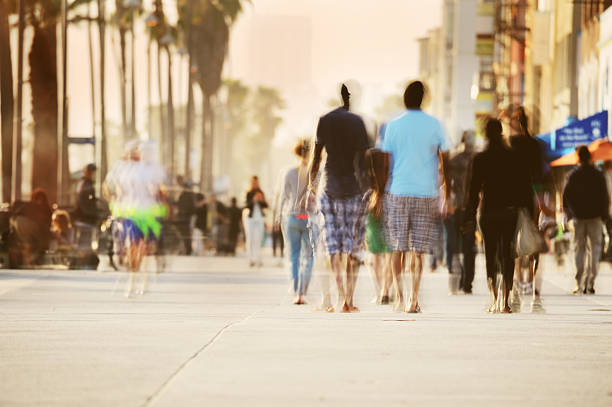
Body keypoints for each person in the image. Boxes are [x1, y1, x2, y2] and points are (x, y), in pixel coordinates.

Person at [382, 81, 450, 313]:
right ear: (424, 98)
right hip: (426, 192)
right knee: (418, 250)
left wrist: (381, 192)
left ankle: (400, 298)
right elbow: (445, 160)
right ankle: (413, 299)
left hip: (398, 192)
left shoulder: (393, 125)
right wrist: (447, 192)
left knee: (398, 248)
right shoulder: (435, 124)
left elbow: (385, 162)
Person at [308, 83, 370, 313]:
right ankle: (349, 300)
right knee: (353, 247)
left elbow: (316, 158)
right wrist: (371, 190)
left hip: (330, 188)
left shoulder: (324, 120)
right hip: (354, 190)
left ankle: (339, 297)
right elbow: (364, 162)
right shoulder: (358, 122)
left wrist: (309, 188)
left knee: (334, 246)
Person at [464, 118, 527, 313]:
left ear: (485, 134)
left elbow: (473, 191)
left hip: (489, 212)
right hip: (510, 212)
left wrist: (468, 216)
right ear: (501, 132)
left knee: (490, 254)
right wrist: (526, 212)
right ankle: (505, 301)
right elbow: (523, 186)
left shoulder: (481, 158)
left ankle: (494, 299)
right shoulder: (514, 156)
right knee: (508, 253)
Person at [505, 106, 549, 312]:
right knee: (534, 246)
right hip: (532, 198)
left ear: (514, 123)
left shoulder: (511, 144)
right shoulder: (536, 145)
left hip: (513, 198)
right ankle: (535, 298)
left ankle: (514, 293)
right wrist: (540, 200)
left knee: (513, 245)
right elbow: (539, 175)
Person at [563, 146, 609, 295]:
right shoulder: (598, 174)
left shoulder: (572, 175)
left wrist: (569, 213)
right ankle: (590, 282)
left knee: (579, 249)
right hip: (595, 217)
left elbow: (566, 196)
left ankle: (579, 283)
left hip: (578, 217)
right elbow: (605, 196)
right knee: (595, 250)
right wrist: (604, 215)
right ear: (590, 157)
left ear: (578, 158)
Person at [276, 140, 314, 304]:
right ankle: (303, 292)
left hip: (292, 217)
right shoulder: (316, 172)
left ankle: (295, 292)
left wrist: (277, 216)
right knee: (309, 256)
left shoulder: (288, 172)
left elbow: (283, 196)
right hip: (309, 218)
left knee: (294, 255)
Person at [445, 131, 477, 294]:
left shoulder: (454, 160)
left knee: (455, 245)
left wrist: (448, 201)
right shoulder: (476, 159)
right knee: (468, 246)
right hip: (469, 208)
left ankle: (459, 279)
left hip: (457, 207)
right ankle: (467, 283)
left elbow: (447, 184)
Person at [364, 148, 392, 304]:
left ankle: (379, 291)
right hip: (389, 205)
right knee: (389, 253)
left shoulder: (367, 173)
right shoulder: (389, 172)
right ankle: (385, 290)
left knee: (374, 254)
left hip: (372, 208)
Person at [9, 189, 53, 266]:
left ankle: (30, 261)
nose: (39, 202)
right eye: (38, 199)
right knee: (28, 243)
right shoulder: (33, 207)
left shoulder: (29, 207)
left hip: (28, 232)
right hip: (29, 232)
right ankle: (29, 261)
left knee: (28, 243)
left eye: (41, 200)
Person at [245, 176, 268, 267]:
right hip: (250, 218)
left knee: (258, 238)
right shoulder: (248, 193)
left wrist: (261, 200)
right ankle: (251, 259)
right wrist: (253, 200)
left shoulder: (261, 192)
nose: (255, 184)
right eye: (253, 182)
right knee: (250, 238)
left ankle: (258, 258)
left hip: (260, 218)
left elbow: (266, 206)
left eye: (256, 182)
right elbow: (246, 205)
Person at [176, 175, 195, 255]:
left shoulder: (186, 188)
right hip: (184, 214)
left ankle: (188, 250)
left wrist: (183, 211)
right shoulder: (185, 188)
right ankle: (186, 249)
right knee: (184, 233)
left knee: (186, 233)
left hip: (185, 215)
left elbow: (186, 202)